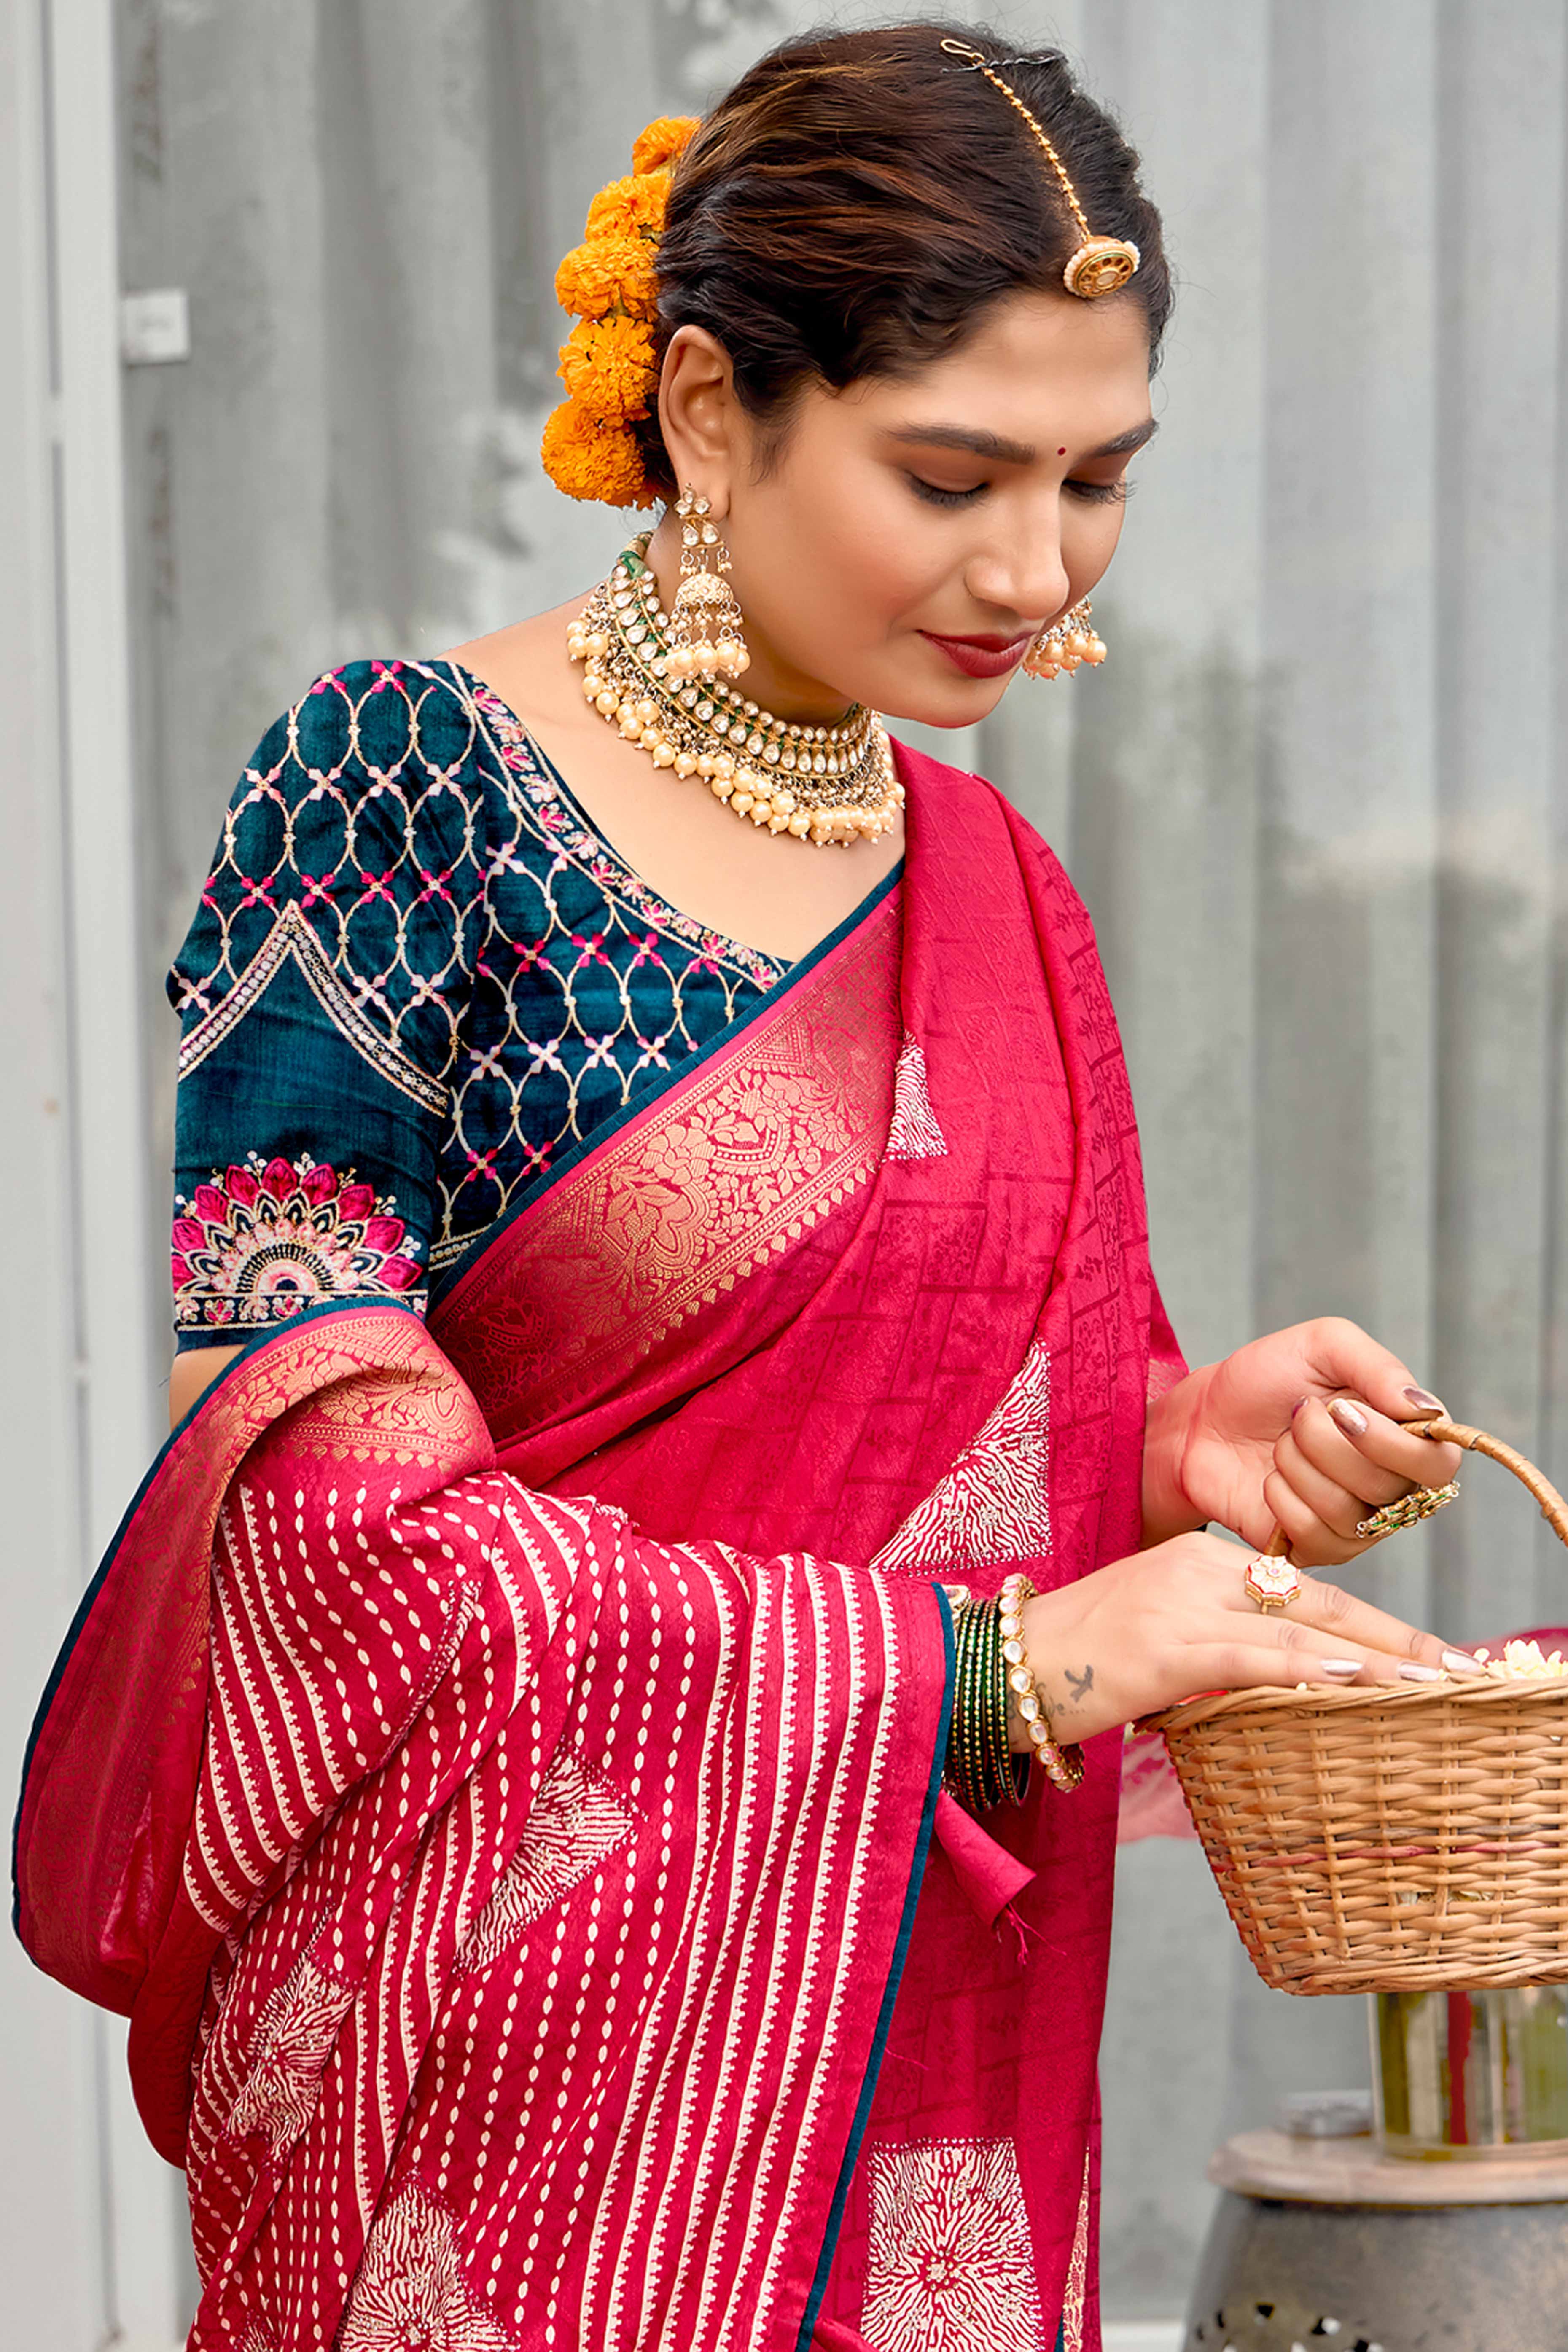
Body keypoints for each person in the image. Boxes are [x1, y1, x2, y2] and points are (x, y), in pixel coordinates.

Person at [16, 23, 1475, 2352]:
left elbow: (958, 1454)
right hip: (509, 2097)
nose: (1036, 564)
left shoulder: (991, 887)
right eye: (949, 473)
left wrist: (1179, 1442)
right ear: (708, 412)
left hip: (906, 2077)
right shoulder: (402, 793)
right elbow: (333, 1545)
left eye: (1098, 478)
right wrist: (991, 1663)